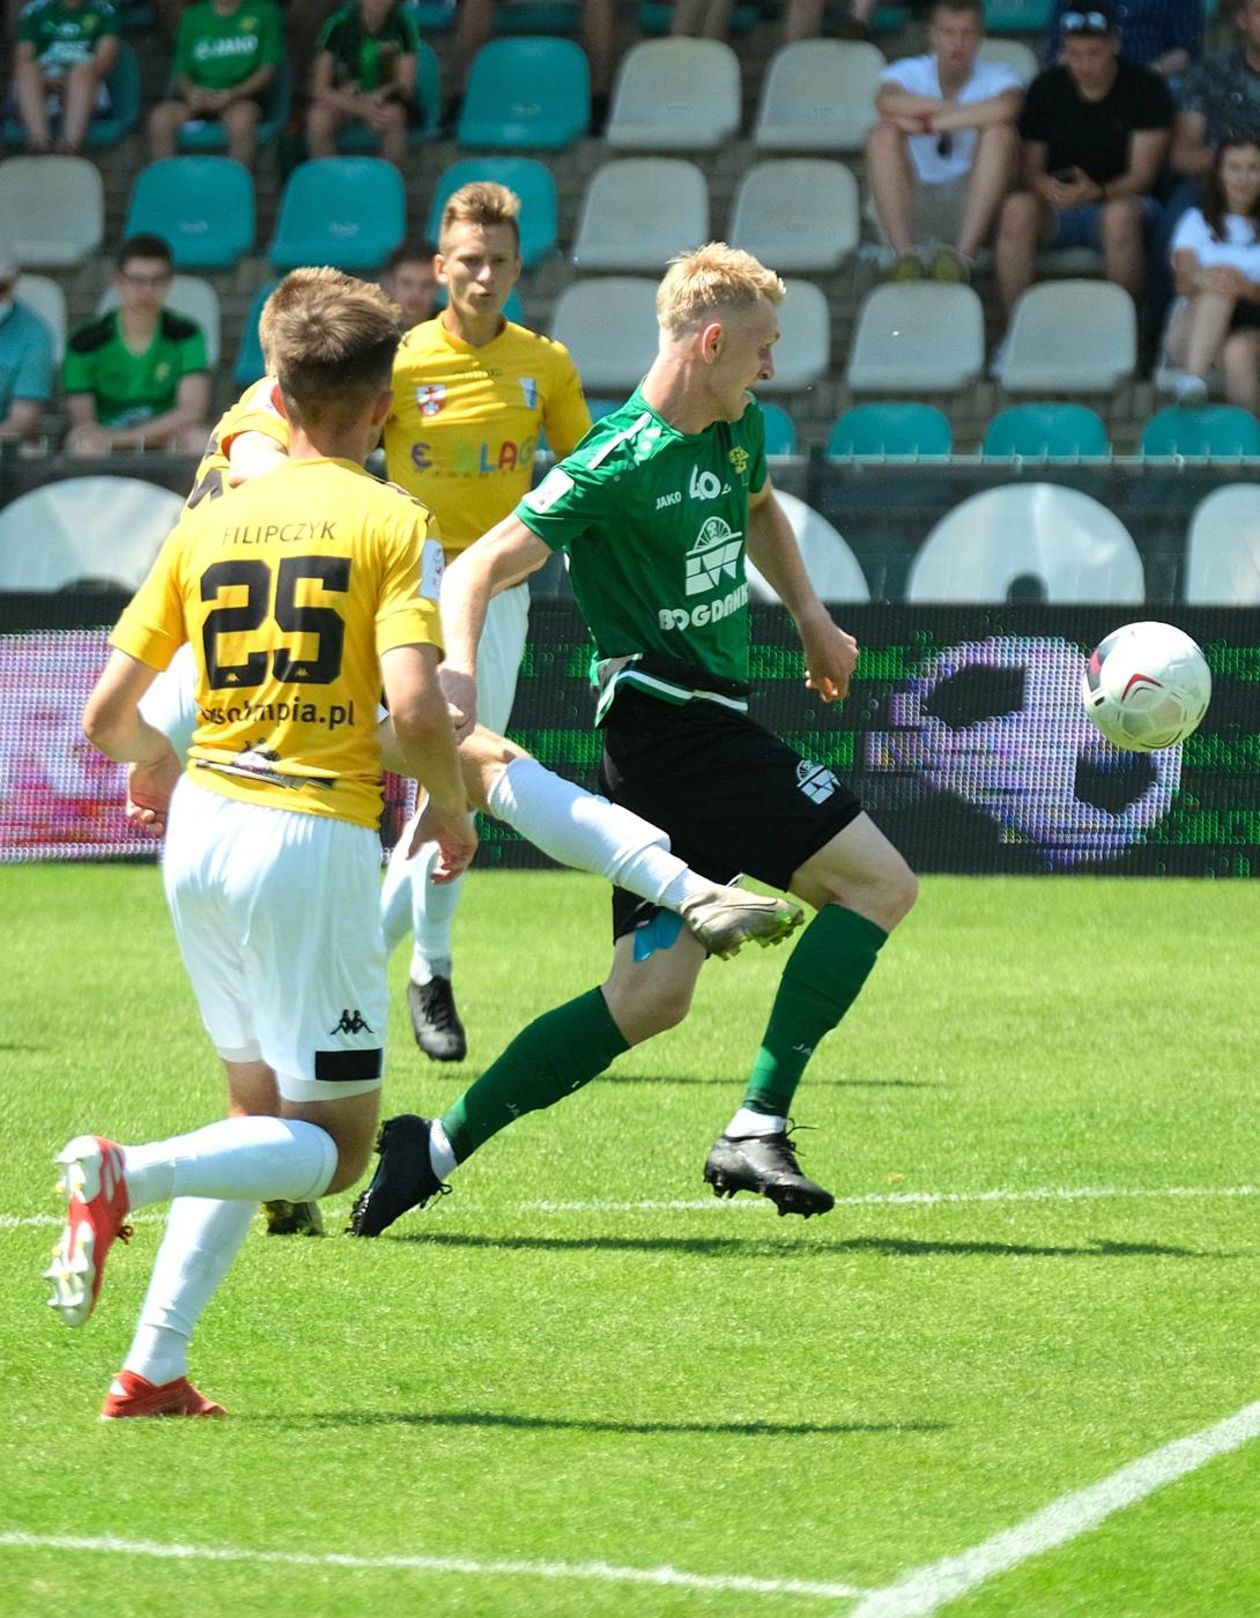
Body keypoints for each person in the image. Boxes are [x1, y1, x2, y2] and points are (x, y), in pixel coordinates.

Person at [137, 334, 803, 1237]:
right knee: (474, 760)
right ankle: (682, 888)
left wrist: (145, 753)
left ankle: (254, 1191)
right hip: (282, 659)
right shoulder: (294, 445)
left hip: (215, 690)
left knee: (471, 766)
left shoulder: (272, 419)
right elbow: (272, 474)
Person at [349, 243, 919, 1239]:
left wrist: (812, 619)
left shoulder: (741, 429)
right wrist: (462, 678)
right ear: (709, 344)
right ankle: (757, 1121)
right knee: (880, 883)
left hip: (698, 729)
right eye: (760, 349)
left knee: (649, 996)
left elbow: (759, 510)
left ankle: (430, 1148)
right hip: (669, 729)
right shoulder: (618, 458)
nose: (770, 369)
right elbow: (476, 566)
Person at [45, 267, 476, 1418]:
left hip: (200, 835)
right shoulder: (395, 520)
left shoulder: (212, 518)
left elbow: (104, 718)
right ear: (381, 405)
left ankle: (154, 1366)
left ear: (276, 396)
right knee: (334, 1149)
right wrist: (457, 808)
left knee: (255, 1115)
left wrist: (160, 757)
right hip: (308, 842)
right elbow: (421, 714)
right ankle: (120, 1173)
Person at [380, 181, 592, 1062]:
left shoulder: (547, 364)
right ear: (439, 267)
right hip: (397, 582)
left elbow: (586, 475)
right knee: (379, 773)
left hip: (494, 588)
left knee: (453, 785)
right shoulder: (393, 362)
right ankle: (372, 965)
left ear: (517, 267)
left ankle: (421, 968)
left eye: (500, 261)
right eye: (469, 260)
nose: (485, 275)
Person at [995, 3, 1173, 327]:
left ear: (1115, 44)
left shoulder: (1145, 88)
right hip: (1057, 206)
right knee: (1016, 210)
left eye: (1094, 52)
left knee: (1119, 217)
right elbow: (1031, 170)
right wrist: (1046, 187)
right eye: (1075, 53)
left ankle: (1127, 332)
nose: (1085, 63)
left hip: (1122, 203)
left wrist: (1096, 192)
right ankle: (1015, 331)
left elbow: (1143, 176)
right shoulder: (1046, 88)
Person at [867, 0, 1022, 283]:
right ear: (932, 34)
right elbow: (887, 102)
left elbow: (1007, 108)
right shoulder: (908, 71)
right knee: (883, 133)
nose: (958, 42)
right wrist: (967, 113)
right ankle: (904, 255)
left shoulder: (999, 74)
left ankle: (962, 257)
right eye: (949, 32)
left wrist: (926, 123)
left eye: (967, 33)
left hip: (971, 202)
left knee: (1001, 133)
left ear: (981, 36)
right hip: (914, 196)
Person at [1154, 0, 1260, 320]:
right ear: (1242, 19)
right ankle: (1161, 331)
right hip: (1214, 184)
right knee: (1173, 219)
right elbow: (1182, 154)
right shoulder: (1212, 73)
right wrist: (1233, 168)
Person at [64, 233, 210, 456]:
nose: (147, 290)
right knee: (84, 443)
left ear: (170, 281)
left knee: (200, 439)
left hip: (166, 435)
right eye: (137, 280)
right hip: (103, 438)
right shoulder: (85, 341)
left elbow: (191, 411)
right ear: (118, 281)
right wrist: (110, 438)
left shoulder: (186, 334)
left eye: (157, 280)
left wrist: (126, 439)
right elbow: (84, 421)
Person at [1162, 135, 1260, 409]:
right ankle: (1194, 379)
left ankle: (1249, 447)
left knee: (1238, 353)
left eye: (1253, 168)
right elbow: (1182, 282)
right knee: (1218, 285)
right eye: (1234, 167)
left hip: (1252, 328)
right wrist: (1206, 278)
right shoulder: (1195, 222)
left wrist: (1244, 288)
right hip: (1192, 331)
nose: (1243, 178)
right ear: (1219, 174)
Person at [148, 0, 283, 168]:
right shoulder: (193, 16)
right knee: (160, 118)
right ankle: (168, 186)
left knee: (243, 119)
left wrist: (233, 94)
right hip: (199, 99)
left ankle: (234, 188)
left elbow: (267, 70)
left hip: (240, 99)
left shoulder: (264, 11)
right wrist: (191, 93)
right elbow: (181, 72)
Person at [306, 0, 418, 168]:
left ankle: (389, 184)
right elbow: (319, 88)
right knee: (318, 118)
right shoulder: (338, 25)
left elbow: (405, 85)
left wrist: (377, 97)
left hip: (382, 99)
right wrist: (359, 107)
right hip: (345, 98)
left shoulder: (405, 24)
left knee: (395, 116)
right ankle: (331, 184)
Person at [11, 0, 118, 153]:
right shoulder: (35, 9)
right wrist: (49, 81)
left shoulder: (105, 9)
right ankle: (39, 144)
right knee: (26, 69)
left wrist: (68, 80)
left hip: (86, 88)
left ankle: (70, 147)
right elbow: (23, 56)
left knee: (83, 70)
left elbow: (105, 61)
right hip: (43, 88)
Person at [1043, 0, 1201, 79]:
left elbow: (1185, 51)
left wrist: (1146, 76)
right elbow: (1058, 48)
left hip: (1150, 76)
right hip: (1085, 75)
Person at [0, 248, 54, 447]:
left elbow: (23, 421)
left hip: (3, 447)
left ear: (14, 280)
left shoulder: (34, 333)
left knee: (27, 451)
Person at [382, 240, 438, 331]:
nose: (416, 293)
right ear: (391, 284)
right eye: (407, 283)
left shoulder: (455, 329)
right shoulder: (370, 329)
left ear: (438, 287)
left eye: (427, 285)